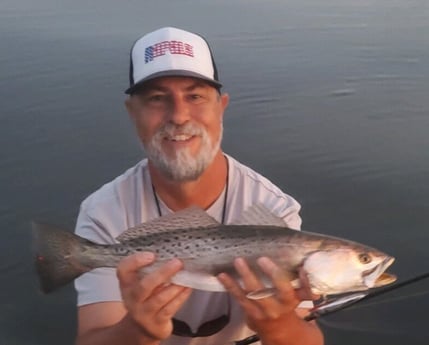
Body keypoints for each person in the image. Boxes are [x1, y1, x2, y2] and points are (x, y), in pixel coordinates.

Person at [74, 27, 324, 345]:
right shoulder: (105, 210)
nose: (178, 116)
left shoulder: (272, 209)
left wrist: (278, 326)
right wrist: (136, 332)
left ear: (222, 106)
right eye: (156, 99)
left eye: (195, 96)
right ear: (132, 112)